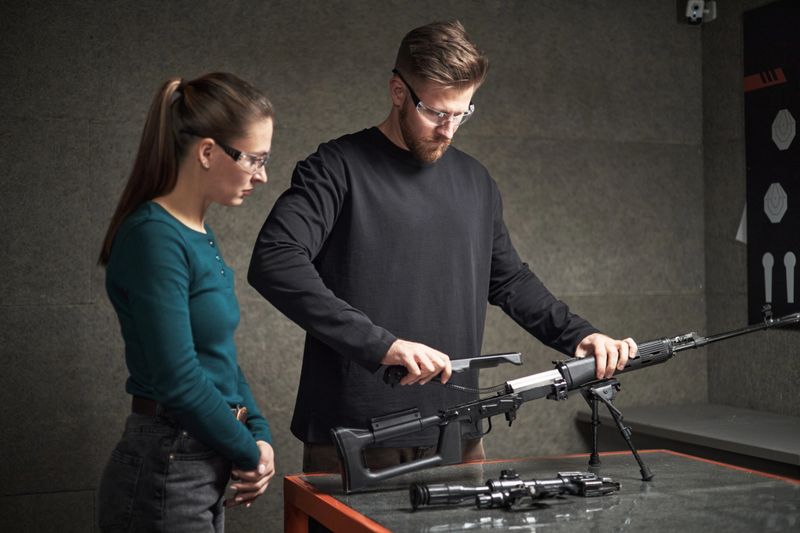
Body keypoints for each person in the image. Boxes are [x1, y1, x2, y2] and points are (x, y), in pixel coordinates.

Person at [248, 21, 637, 474]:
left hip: (457, 432)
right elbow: (275, 259)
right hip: (355, 434)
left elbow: (509, 279)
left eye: (462, 113)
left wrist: (578, 334)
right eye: (436, 112)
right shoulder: (335, 168)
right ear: (398, 91)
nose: (448, 129)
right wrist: (382, 346)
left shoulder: (476, 182)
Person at [97, 72, 275, 532]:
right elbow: (179, 379)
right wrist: (246, 451)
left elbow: (219, 359)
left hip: (200, 456)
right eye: (254, 159)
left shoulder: (198, 234)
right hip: (168, 463)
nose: (262, 175)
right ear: (208, 152)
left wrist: (259, 433)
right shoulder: (154, 237)